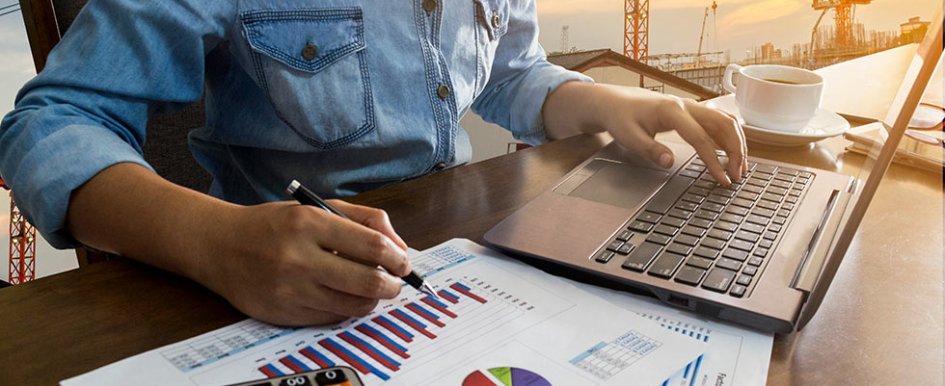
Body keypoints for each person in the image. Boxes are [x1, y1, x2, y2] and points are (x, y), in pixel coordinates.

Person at [0, 1, 745, 326]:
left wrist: (596, 101)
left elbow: (511, 71)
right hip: (278, 298)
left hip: (454, 264)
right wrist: (211, 239)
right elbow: (51, 121)